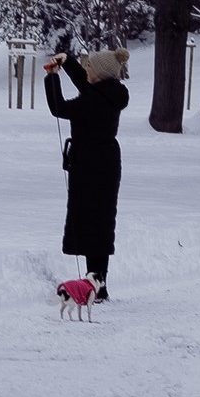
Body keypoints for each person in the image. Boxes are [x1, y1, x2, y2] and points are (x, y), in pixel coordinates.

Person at [45, 45, 129, 299]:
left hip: (90, 164)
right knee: (100, 222)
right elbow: (86, 82)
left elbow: (59, 108)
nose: (86, 69)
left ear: (99, 74)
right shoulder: (109, 93)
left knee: (91, 222)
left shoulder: (93, 100)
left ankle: (96, 285)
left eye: (89, 66)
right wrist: (67, 62)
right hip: (105, 162)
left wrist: (52, 77)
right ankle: (97, 283)